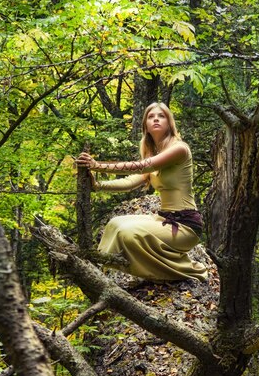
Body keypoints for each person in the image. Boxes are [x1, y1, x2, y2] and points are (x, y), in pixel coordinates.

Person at [76, 102, 207, 283]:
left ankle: (184, 270)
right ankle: (100, 270)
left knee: (127, 232)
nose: (155, 119)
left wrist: (97, 165)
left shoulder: (179, 148)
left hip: (185, 225)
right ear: (145, 124)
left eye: (161, 116)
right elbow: (131, 181)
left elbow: (142, 167)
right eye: (151, 116)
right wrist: (97, 185)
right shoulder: (154, 152)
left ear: (169, 122)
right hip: (163, 219)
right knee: (114, 223)